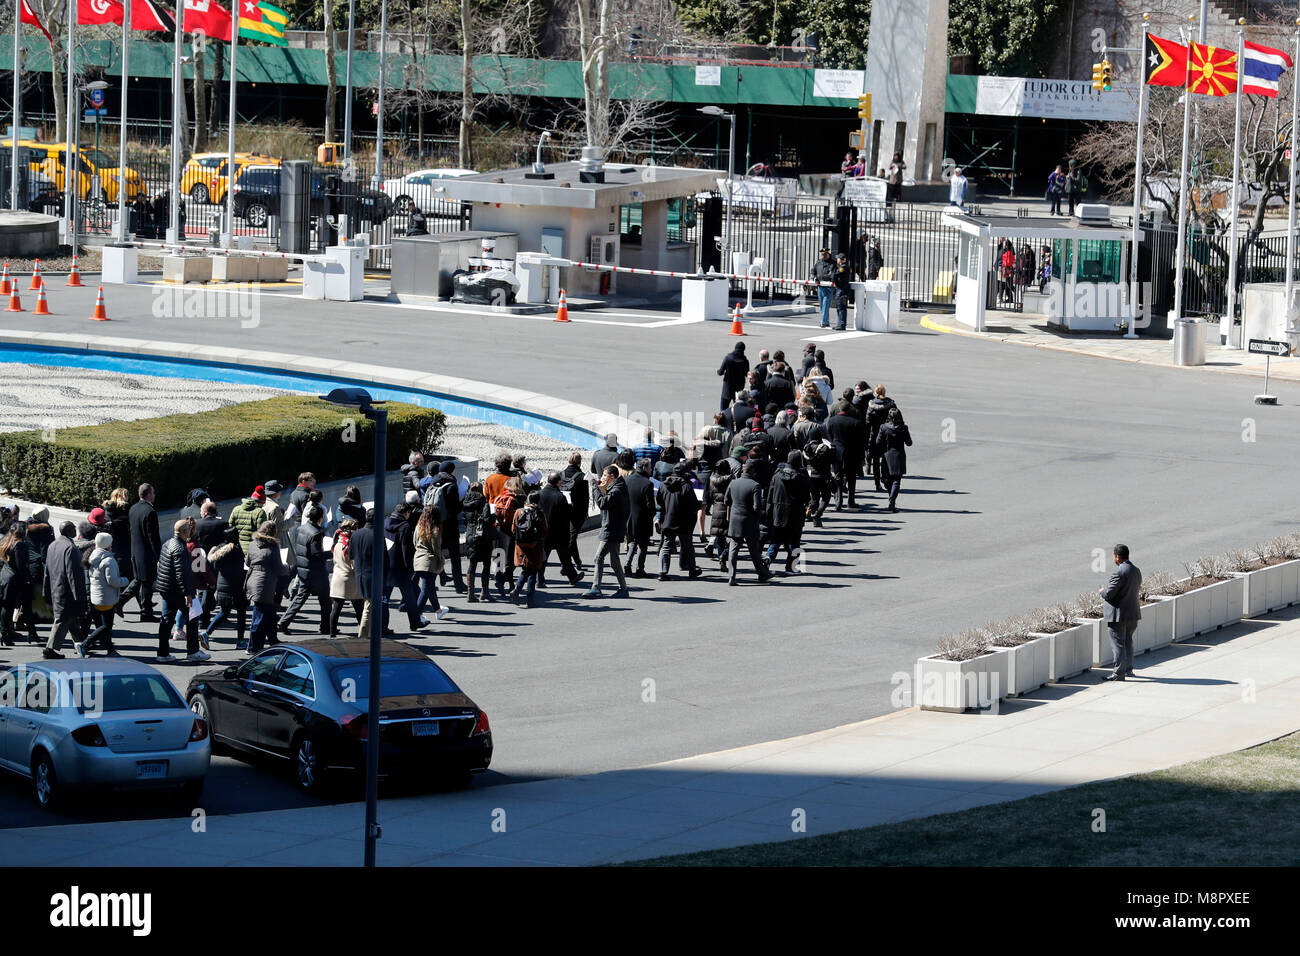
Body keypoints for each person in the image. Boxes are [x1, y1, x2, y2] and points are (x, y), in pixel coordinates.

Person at [154, 518, 202, 662]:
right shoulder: (181, 549)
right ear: (184, 531)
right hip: (178, 591)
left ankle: (163, 653)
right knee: (192, 619)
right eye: (188, 528)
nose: (190, 530)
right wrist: (187, 593)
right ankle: (193, 652)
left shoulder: (167, 543)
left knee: (166, 621)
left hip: (166, 588)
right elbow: (181, 573)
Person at [279, 504, 331, 635]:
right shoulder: (316, 534)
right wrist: (332, 552)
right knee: (325, 601)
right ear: (320, 518)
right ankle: (325, 627)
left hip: (303, 568)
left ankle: (284, 621)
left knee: (299, 598)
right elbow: (317, 555)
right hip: (316, 572)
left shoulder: (302, 528)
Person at [42, 521, 88, 660]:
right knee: (62, 619)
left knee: (70, 619)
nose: (76, 529)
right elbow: (73, 574)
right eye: (74, 527)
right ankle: (50, 649)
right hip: (67, 591)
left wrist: (46, 589)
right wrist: (79, 596)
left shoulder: (53, 545)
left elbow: (47, 569)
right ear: (69, 531)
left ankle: (81, 645)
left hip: (55, 587)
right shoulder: (70, 548)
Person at [583, 465, 630, 599]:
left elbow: (603, 503)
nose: (602, 478)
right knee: (613, 560)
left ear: (611, 476)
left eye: (604, 476)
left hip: (611, 529)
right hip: (615, 528)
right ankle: (622, 588)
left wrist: (595, 488)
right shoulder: (619, 486)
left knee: (599, 557)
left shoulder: (616, 490)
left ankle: (596, 588)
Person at [725, 461, 772, 586]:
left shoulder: (733, 483)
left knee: (733, 549)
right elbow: (757, 507)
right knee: (754, 551)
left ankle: (732, 576)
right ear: (753, 471)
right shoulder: (755, 485)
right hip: (749, 521)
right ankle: (762, 574)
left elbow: (726, 500)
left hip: (735, 520)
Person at [1100, 544, 1143, 681]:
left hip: (1119, 616)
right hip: (1132, 614)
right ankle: (1128, 669)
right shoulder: (1136, 571)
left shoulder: (1119, 572)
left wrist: (1102, 591)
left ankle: (1119, 673)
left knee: (1118, 644)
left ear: (1117, 557)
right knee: (1128, 642)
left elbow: (1110, 594)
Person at [245, 520, 289, 654]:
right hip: (265, 584)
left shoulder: (253, 544)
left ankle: (273, 640)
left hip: (253, 580)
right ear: (273, 532)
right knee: (259, 617)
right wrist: (286, 568)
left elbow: (247, 562)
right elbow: (278, 568)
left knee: (269, 613)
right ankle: (252, 647)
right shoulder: (273, 546)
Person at [81, 532, 128, 657]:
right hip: (107, 598)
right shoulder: (108, 560)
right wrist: (125, 580)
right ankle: (85, 643)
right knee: (106, 626)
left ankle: (110, 650)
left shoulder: (92, 556)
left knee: (102, 625)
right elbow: (112, 581)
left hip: (95, 596)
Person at [119, 482, 160, 621]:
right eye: (153, 493)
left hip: (136, 552)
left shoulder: (133, 508)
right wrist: (159, 555)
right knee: (147, 582)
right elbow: (152, 537)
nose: (154, 495)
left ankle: (122, 602)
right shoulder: (150, 512)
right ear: (148, 494)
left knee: (139, 580)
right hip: (147, 554)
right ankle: (146, 613)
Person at [765, 451, 811, 573]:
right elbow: (806, 497)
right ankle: (791, 566)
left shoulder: (776, 476)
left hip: (778, 512)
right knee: (794, 541)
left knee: (776, 540)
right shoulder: (801, 477)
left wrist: (768, 513)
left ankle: (768, 557)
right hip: (796, 512)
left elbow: (770, 497)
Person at [203, 527, 248, 649]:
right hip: (236, 586)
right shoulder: (235, 550)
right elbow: (241, 568)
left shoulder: (218, 549)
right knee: (241, 614)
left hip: (222, 584)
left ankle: (206, 633)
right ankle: (240, 641)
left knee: (223, 612)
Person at [424, 460, 465, 593]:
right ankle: (459, 585)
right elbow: (455, 509)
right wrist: (462, 501)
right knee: (454, 556)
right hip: (449, 526)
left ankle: (433, 582)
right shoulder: (451, 485)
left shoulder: (432, 482)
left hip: (435, 524)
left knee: (435, 554)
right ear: (451, 471)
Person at [657, 464, 702, 581]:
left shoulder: (663, 485)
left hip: (668, 520)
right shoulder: (686, 486)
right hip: (684, 521)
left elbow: (659, 502)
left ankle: (662, 571)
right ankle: (692, 570)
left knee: (666, 546)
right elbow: (694, 505)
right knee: (687, 546)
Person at [539, 471, 580, 587]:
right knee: (565, 556)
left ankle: (539, 579)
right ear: (558, 482)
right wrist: (570, 505)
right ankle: (572, 577)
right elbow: (568, 515)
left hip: (544, 531)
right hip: (558, 532)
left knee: (543, 557)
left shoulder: (540, 494)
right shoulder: (560, 497)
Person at [412, 503, 450, 620]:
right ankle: (416, 615)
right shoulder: (435, 529)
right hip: (429, 562)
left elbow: (414, 542)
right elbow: (437, 548)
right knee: (426, 589)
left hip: (418, 560)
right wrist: (441, 560)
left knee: (430, 588)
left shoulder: (419, 527)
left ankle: (438, 610)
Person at [328, 517, 365, 636]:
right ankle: (363, 631)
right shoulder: (350, 544)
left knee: (336, 608)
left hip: (338, 576)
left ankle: (332, 632)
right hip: (350, 578)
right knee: (359, 608)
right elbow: (354, 564)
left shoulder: (337, 542)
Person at [510, 492, 548, 607]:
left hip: (520, 547)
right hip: (534, 546)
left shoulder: (518, 512)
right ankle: (529, 599)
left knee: (526, 570)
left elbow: (513, 529)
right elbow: (544, 531)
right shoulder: (539, 513)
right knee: (532, 572)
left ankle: (517, 590)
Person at [461, 482, 497, 603]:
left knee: (472, 564)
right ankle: (484, 592)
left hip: (470, 534)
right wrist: (493, 515)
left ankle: (470, 593)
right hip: (483, 536)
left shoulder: (465, 504)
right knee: (486, 564)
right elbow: (488, 520)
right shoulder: (485, 504)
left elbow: (465, 520)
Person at [623, 459, 657, 578]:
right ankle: (639, 569)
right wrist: (652, 515)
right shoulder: (647, 484)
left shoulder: (627, 480)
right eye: (649, 467)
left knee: (632, 541)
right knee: (643, 545)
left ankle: (627, 564)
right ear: (644, 468)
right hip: (643, 518)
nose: (651, 470)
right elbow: (651, 505)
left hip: (629, 518)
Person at [0, 526, 33, 646]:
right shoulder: (19, 544)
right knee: (8, 607)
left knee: (5, 606)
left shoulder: (6, 541)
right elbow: (21, 566)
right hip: (14, 578)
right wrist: (27, 579)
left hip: (5, 576)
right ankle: (4, 634)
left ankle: (5, 632)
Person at [877, 406, 913, 513]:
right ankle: (892, 500)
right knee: (896, 480)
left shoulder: (883, 427)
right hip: (899, 455)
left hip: (886, 455)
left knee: (887, 479)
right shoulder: (903, 428)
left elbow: (878, 442)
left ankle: (891, 497)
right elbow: (909, 443)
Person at [561, 451, 589, 570]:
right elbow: (585, 498)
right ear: (580, 462)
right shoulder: (582, 477)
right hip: (577, 512)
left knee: (568, 538)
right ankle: (572, 563)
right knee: (572, 538)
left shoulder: (561, 474)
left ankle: (574, 562)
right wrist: (585, 512)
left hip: (562, 510)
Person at [866, 384, 897, 490]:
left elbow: (868, 421)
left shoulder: (871, 405)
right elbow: (896, 417)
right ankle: (885, 478)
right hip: (887, 434)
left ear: (876, 393)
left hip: (875, 434)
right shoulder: (891, 404)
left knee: (875, 461)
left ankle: (877, 483)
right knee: (886, 458)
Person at [228, 487, 266, 553]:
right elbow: (261, 534)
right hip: (253, 550)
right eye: (263, 504)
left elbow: (230, 529)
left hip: (237, 550)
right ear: (260, 502)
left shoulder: (236, 509)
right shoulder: (260, 512)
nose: (263, 506)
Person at [717, 340, 750, 411]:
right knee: (738, 409)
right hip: (739, 388)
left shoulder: (728, 358)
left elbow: (720, 372)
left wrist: (718, 371)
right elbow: (747, 374)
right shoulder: (744, 360)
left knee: (723, 409)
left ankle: (722, 421)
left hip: (728, 387)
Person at [809, 249, 836, 329]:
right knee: (822, 305)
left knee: (825, 305)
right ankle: (826, 322)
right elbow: (813, 270)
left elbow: (832, 275)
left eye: (825, 254)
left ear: (828, 254)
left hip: (828, 287)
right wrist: (813, 276)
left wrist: (820, 277)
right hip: (820, 286)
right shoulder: (819, 262)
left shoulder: (833, 263)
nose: (823, 256)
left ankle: (823, 322)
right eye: (822, 254)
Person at [832, 251, 853, 331]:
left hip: (842, 290)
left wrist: (832, 275)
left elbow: (835, 275)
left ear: (841, 260)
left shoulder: (843, 267)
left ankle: (841, 324)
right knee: (839, 307)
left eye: (838, 258)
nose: (837, 259)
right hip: (841, 290)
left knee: (841, 308)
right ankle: (840, 324)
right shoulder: (843, 267)